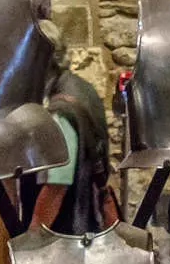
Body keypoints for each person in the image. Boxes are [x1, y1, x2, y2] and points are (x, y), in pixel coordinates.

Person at [30, 68, 117, 235]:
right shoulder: (82, 88)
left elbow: (57, 184)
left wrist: (33, 235)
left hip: (65, 232)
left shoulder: (61, 111)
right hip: (86, 225)